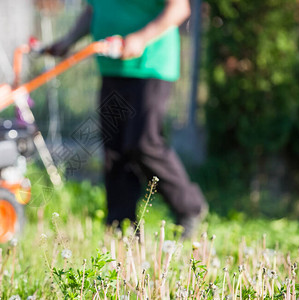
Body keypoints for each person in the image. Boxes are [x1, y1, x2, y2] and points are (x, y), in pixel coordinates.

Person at [47, 0, 208, 239]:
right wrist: (69, 39)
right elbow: (94, 9)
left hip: (150, 67)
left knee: (144, 143)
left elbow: (178, 8)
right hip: (112, 69)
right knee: (114, 152)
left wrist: (142, 38)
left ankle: (189, 208)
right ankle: (122, 227)